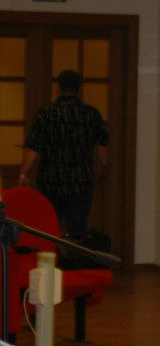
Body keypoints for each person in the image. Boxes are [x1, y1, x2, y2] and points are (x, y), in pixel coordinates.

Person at [18, 70, 110, 240]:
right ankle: (74, 255)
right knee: (77, 232)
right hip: (80, 181)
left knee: (48, 230)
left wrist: (24, 173)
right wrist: (102, 165)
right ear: (79, 89)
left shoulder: (45, 114)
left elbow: (33, 146)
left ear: (58, 88)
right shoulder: (91, 114)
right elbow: (102, 143)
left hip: (51, 180)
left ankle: (52, 256)